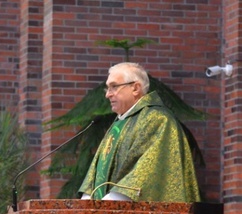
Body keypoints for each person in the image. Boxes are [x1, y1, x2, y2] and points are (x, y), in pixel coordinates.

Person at [78, 62, 201, 202]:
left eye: (114, 87)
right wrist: (87, 199)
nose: (107, 94)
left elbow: (149, 168)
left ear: (135, 88)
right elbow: (98, 170)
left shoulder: (157, 118)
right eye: (107, 88)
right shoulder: (119, 124)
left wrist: (111, 201)